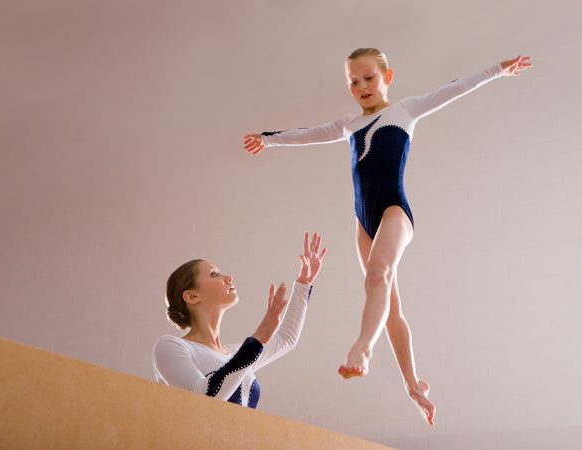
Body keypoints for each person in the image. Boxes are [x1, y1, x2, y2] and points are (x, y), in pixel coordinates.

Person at [244, 49, 532, 425]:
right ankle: (412, 384)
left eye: (369, 78)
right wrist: (268, 140)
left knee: (377, 276)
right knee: (390, 304)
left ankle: (363, 347)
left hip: (395, 210)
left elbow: (456, 88)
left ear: (387, 77)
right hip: (364, 221)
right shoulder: (347, 125)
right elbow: (307, 135)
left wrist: (497, 70)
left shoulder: (406, 110)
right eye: (353, 81)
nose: (362, 86)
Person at [152, 232, 327, 408]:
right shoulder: (170, 346)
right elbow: (202, 398)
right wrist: (257, 340)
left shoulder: (234, 353)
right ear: (191, 296)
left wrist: (304, 283)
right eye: (214, 274)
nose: (228, 277)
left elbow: (286, 339)